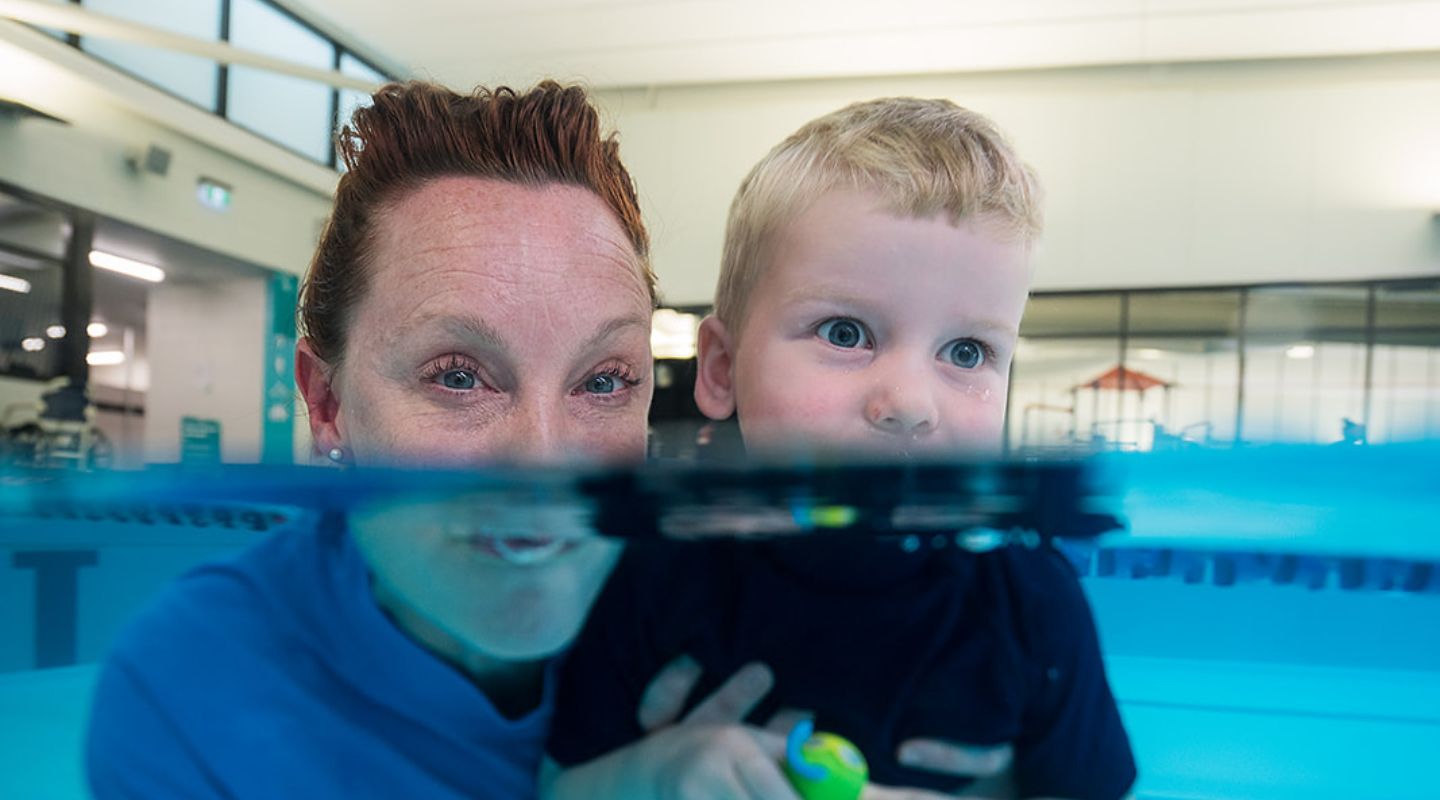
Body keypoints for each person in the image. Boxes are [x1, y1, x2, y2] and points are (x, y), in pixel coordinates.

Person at [84, 80, 660, 799]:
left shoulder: (726, 620)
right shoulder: (194, 689)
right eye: (457, 376)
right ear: (326, 403)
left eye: (604, 381)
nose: (543, 461)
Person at [548, 98, 1137, 799]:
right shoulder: (655, 573)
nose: (911, 403)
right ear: (721, 370)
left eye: (968, 350)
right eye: (846, 333)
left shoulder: (1031, 602)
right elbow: (556, 786)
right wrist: (650, 776)